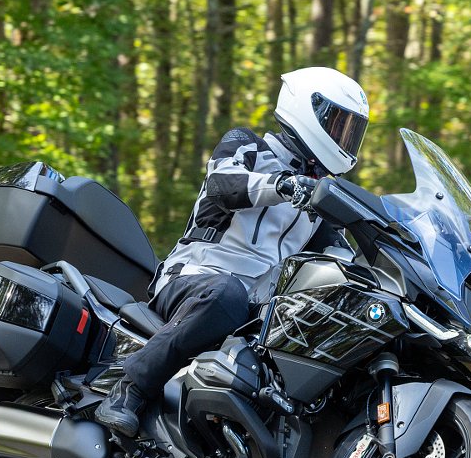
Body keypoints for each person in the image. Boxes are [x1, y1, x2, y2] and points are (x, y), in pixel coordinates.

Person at [96, 66, 370, 437]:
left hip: (255, 306)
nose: (344, 137)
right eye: (338, 124)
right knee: (227, 295)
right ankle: (129, 388)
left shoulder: (316, 201)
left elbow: (345, 259)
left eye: (350, 130)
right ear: (307, 109)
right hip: (194, 280)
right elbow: (223, 183)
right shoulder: (248, 147)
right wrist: (285, 185)